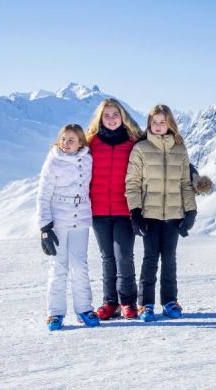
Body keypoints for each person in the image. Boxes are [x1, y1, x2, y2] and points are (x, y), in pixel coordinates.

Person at [125, 104, 197, 322]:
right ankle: (145, 304)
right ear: (149, 124)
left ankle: (169, 301)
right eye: (154, 122)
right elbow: (133, 183)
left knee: (169, 259)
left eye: (162, 122)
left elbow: (186, 183)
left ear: (170, 124)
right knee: (150, 259)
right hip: (149, 214)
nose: (157, 126)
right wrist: (135, 211)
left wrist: (191, 211)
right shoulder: (141, 149)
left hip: (174, 214)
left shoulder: (180, 149)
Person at [36, 124, 100, 331]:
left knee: (80, 265)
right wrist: (45, 227)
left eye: (71, 140)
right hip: (58, 220)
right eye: (63, 139)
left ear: (81, 142)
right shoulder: (53, 162)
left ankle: (84, 309)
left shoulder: (88, 160)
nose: (66, 143)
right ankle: (55, 313)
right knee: (58, 266)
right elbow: (43, 195)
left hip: (80, 217)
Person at [85, 98, 143, 320]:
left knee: (124, 257)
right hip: (98, 210)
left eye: (115, 115)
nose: (111, 119)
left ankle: (128, 302)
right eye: (106, 116)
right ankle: (110, 303)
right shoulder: (91, 143)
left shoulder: (133, 142)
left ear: (123, 117)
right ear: (100, 118)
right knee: (107, 257)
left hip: (124, 209)